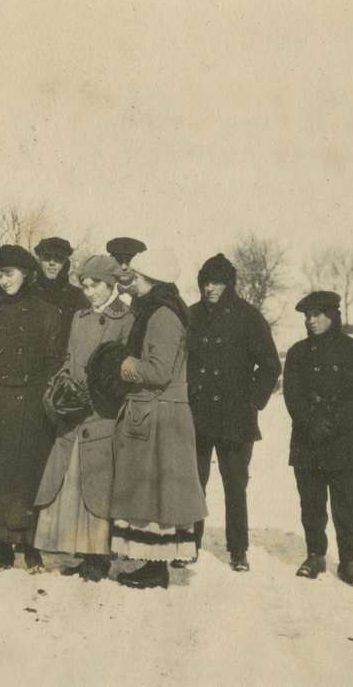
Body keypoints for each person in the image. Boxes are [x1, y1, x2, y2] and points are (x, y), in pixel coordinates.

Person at [104, 247, 207, 590]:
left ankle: (155, 568)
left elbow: (159, 371)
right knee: (154, 493)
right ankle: (152, 564)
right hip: (158, 413)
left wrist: (123, 365)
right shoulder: (160, 309)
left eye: (136, 277)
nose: (131, 282)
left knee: (156, 493)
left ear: (151, 279)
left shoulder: (162, 315)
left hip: (159, 416)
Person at [0, 244, 66, 573]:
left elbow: (54, 360)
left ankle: (32, 547)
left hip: (33, 407)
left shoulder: (47, 312)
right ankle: (3, 549)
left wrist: (43, 398)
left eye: (10, 273)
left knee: (30, 478)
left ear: (27, 274)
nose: (4, 280)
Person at [33, 255, 134, 582]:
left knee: (98, 484)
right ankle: (78, 548)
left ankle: (98, 555)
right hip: (74, 412)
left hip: (102, 414)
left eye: (96, 285)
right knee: (72, 479)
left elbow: (122, 370)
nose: (89, 292)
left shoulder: (126, 319)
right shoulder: (79, 317)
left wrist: (99, 393)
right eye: (86, 285)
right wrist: (61, 384)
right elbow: (70, 358)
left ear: (111, 285)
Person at [184, 253, 282, 572]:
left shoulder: (248, 317)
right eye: (205, 282)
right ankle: (189, 543)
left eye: (217, 282)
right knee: (194, 481)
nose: (210, 288)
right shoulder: (192, 315)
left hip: (234, 418)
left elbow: (269, 364)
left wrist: (251, 400)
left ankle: (238, 549)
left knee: (235, 484)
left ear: (229, 284)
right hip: (197, 414)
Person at [283, 290, 353, 588]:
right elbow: (292, 395)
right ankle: (315, 555)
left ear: (332, 316)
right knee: (311, 502)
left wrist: (333, 424)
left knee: (347, 504)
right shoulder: (297, 353)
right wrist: (311, 424)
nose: (311, 321)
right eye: (307, 316)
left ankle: (349, 562)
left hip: (345, 441)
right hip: (307, 439)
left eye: (317, 315)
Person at [33, 236, 90, 326]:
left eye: (58, 258)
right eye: (47, 257)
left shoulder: (77, 296)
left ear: (66, 263)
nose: (52, 263)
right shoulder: (27, 292)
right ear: (39, 260)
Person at [105, 237, 147, 304]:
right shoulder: (102, 292)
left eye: (129, 261)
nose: (124, 267)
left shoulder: (147, 292)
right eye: (119, 261)